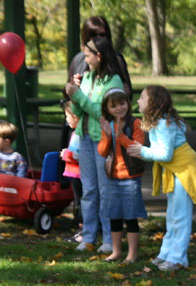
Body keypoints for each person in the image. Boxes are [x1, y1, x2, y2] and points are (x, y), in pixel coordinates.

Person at [129, 85, 196, 272]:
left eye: (142, 97)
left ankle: (178, 258)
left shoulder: (165, 125)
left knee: (180, 216)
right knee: (172, 216)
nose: (138, 101)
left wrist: (142, 151)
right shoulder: (160, 123)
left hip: (184, 171)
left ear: (153, 103)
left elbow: (165, 155)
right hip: (176, 171)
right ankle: (166, 253)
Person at [66, 36, 125, 254]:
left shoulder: (114, 82)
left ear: (99, 56)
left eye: (87, 54)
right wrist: (74, 94)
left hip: (104, 141)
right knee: (89, 191)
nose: (85, 58)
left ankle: (110, 239)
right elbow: (81, 111)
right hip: (85, 138)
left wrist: (78, 96)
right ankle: (89, 237)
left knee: (106, 190)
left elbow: (104, 112)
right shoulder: (87, 77)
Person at [97, 88, 146, 264]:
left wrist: (122, 137)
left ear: (128, 104)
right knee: (114, 215)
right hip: (113, 177)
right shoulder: (108, 125)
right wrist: (108, 136)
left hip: (131, 177)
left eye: (122, 103)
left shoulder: (136, 123)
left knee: (131, 215)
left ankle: (132, 254)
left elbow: (137, 148)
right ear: (107, 109)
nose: (119, 108)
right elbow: (102, 152)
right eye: (114, 105)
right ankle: (116, 251)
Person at [60, 100, 82, 240]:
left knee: (80, 202)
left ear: (75, 117)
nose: (66, 121)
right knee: (78, 201)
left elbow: (79, 155)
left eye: (67, 117)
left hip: (79, 174)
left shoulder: (79, 135)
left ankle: (83, 232)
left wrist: (66, 154)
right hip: (74, 174)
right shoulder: (75, 133)